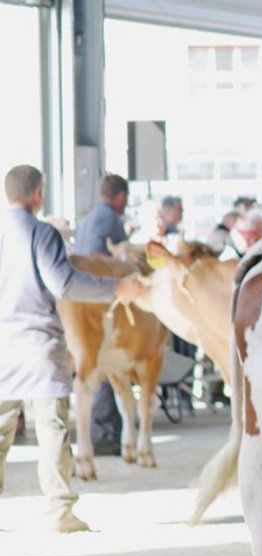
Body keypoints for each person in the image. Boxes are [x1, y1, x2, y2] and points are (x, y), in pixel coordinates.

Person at [0, 165, 139, 533]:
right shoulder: (42, 233)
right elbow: (63, 284)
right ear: (37, 194)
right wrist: (115, 288)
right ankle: (59, 511)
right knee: (52, 428)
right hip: (37, 345)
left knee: (0, 434)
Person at [73, 173, 132, 457]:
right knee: (109, 366)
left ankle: (100, 433)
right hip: (102, 299)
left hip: (79, 300)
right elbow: (105, 260)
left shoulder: (85, 220)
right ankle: (106, 434)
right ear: (119, 196)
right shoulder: (111, 219)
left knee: (92, 366)